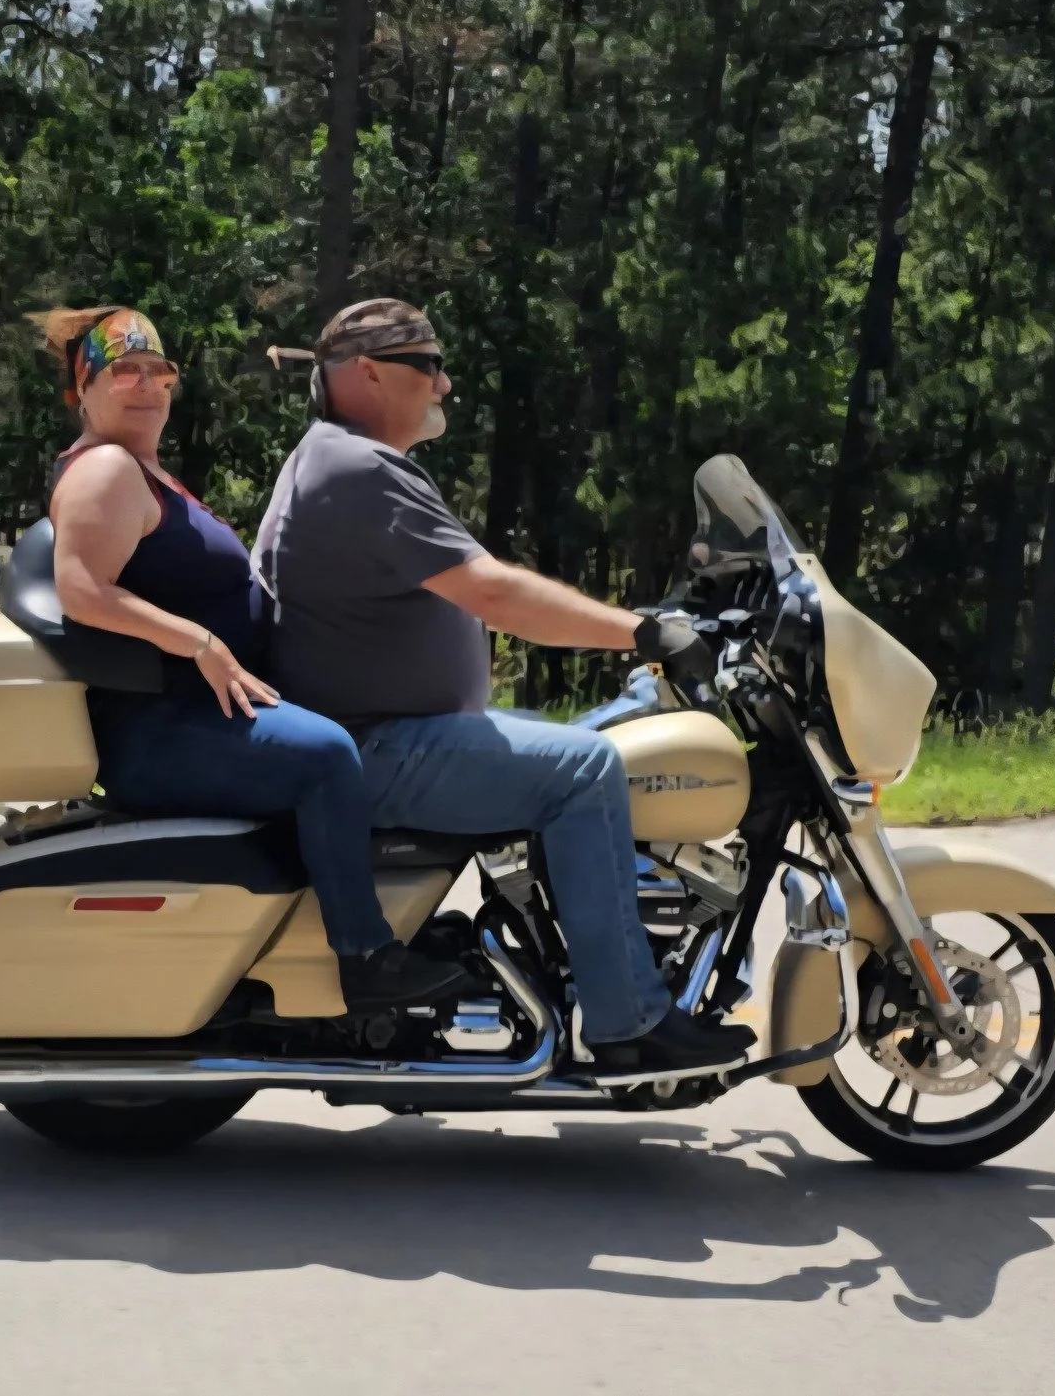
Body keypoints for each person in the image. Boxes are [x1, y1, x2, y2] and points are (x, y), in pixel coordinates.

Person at [254, 299, 754, 1077]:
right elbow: (495, 594)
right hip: (377, 745)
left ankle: (565, 961)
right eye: (427, 365)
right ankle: (632, 1021)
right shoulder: (358, 467)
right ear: (368, 374)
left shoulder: (340, 458)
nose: (444, 383)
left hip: (385, 732)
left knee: (601, 731)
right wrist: (643, 630)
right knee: (585, 771)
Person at [34, 304, 472, 1011]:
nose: (147, 385)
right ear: (81, 392)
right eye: (124, 372)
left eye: (159, 371)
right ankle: (366, 956)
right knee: (326, 754)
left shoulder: (145, 473)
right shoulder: (105, 469)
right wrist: (200, 641)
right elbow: (82, 590)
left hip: (198, 713)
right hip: (160, 726)